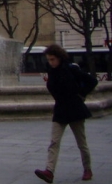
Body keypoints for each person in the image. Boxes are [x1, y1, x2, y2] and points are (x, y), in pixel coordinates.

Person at [34, 44, 93, 183]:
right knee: (54, 141)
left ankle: (87, 169)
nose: (50, 62)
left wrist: (81, 95)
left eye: (52, 59)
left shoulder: (71, 69)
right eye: (48, 59)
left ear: (60, 58)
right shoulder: (51, 71)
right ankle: (49, 171)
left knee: (81, 143)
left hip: (75, 109)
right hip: (60, 110)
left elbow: (92, 81)